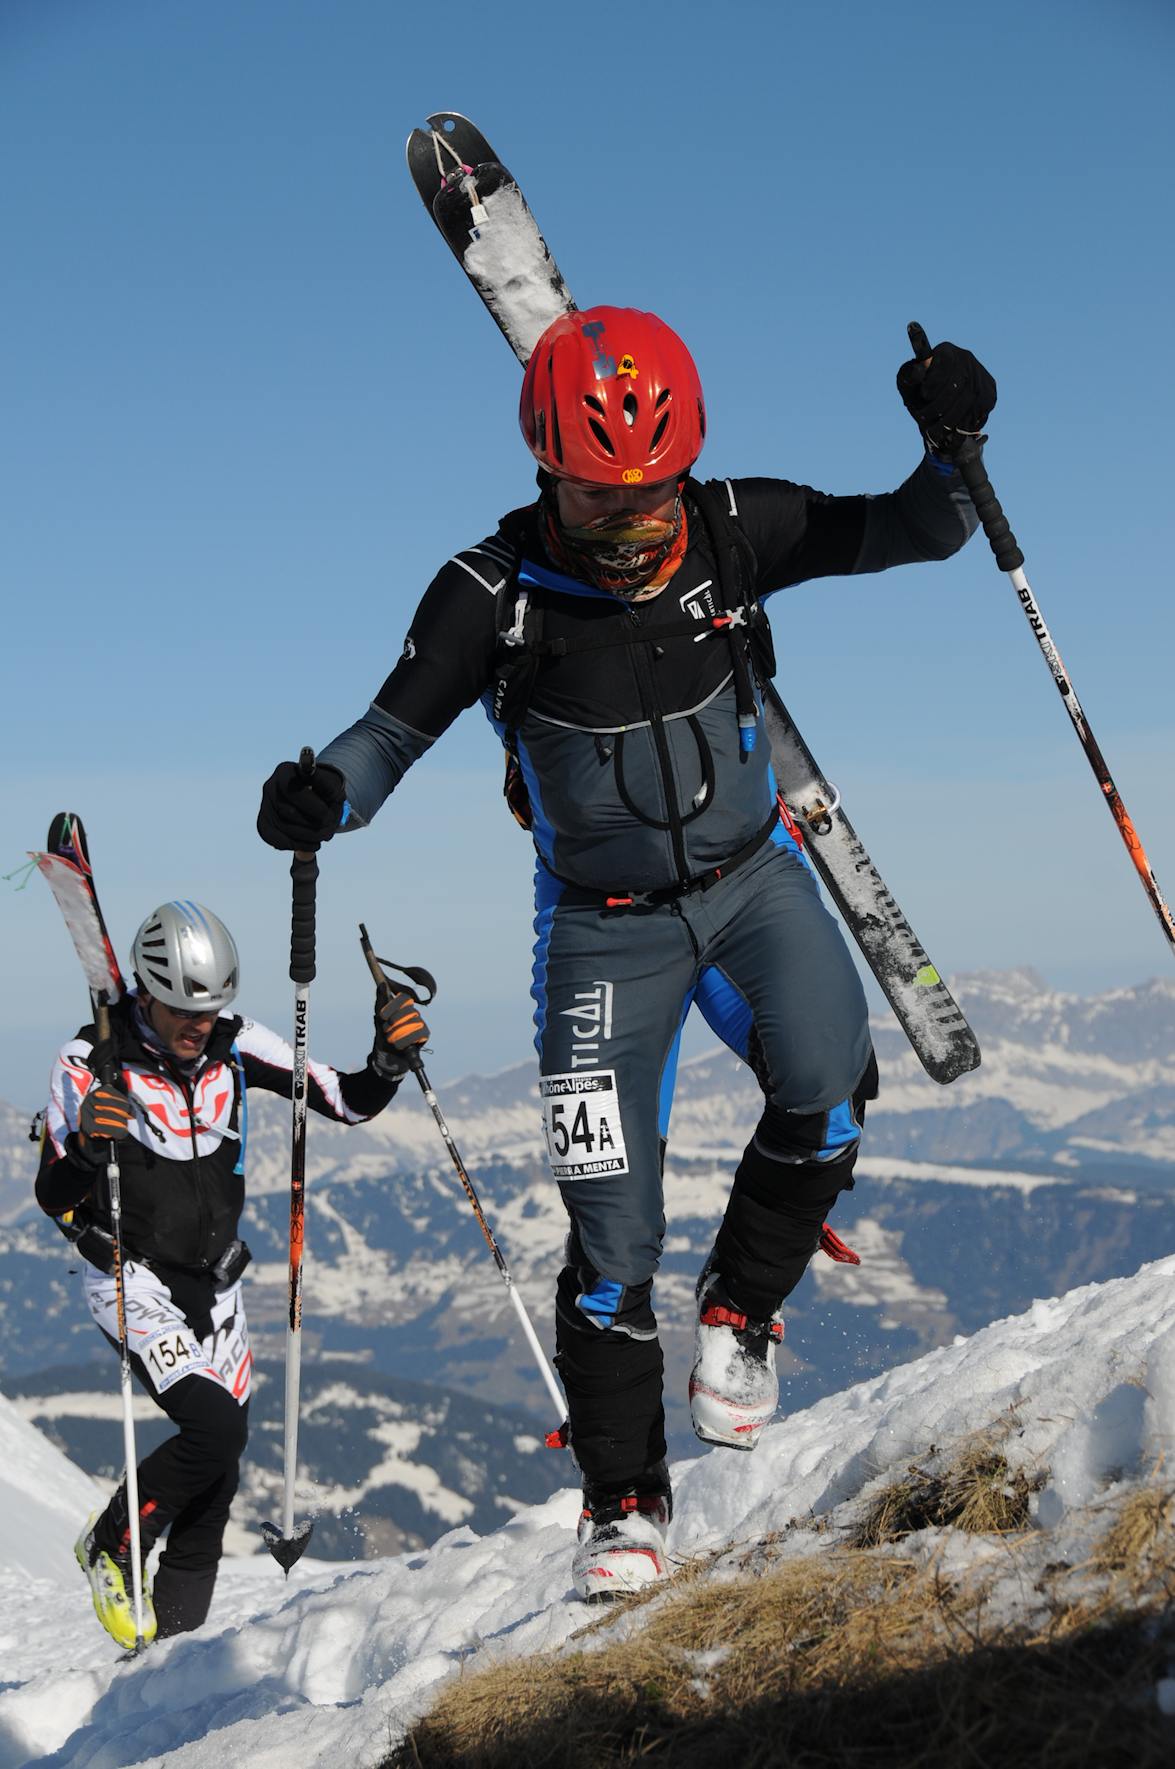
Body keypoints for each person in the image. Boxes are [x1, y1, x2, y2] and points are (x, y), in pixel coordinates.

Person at [257, 308, 995, 1600]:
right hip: (601, 937)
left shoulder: (729, 527)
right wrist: (323, 791)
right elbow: (386, 737)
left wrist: (953, 441)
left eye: (647, 507)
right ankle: (621, 1507)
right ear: (546, 477)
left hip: (755, 882)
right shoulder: (488, 593)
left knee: (827, 1088)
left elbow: (919, 529)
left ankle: (739, 1313)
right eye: (598, 513)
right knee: (610, 1235)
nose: (630, 539)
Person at [36, 898, 428, 1649]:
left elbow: (342, 1099)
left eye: (212, 1006)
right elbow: (51, 1192)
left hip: (218, 1286)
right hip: (132, 1278)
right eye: (185, 1007)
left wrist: (387, 1060)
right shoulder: (90, 1061)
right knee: (211, 1429)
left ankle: (173, 1658)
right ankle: (112, 1541)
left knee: (218, 1476)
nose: (199, 1022)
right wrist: (88, 1146)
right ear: (146, 990)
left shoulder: (236, 1043)